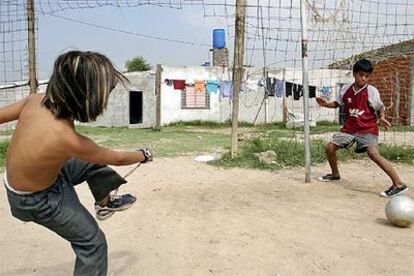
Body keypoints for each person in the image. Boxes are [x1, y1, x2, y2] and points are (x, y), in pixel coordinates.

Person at [0, 50, 153, 275]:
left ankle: (104, 202)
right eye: (105, 96)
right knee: (93, 244)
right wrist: (143, 154)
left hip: (31, 182)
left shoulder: (35, 100)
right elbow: (118, 158)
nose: (106, 102)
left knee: (90, 163)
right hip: (38, 201)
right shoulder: (66, 138)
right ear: (85, 96)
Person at [316, 58, 408, 198]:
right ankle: (335, 174)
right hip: (349, 129)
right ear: (354, 74)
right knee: (330, 148)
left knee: (373, 154)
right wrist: (325, 104)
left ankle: (398, 184)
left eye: (367, 76)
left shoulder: (372, 91)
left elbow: (380, 108)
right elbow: (337, 103)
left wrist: (382, 117)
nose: (363, 78)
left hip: (367, 129)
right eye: (361, 75)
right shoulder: (346, 89)